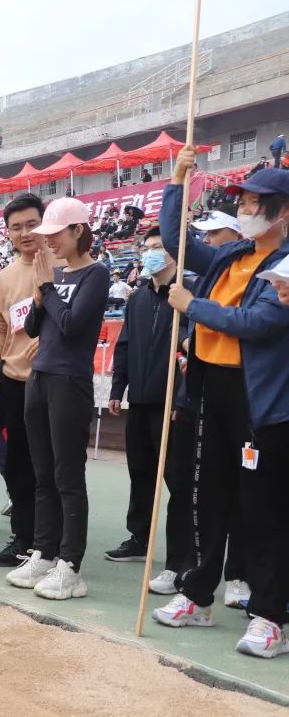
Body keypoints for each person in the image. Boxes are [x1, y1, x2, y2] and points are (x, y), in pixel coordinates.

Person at [153, 153, 289, 660]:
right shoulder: (232, 257)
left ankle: (269, 615)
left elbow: (257, 324)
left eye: (258, 202)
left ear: (284, 212)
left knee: (263, 508)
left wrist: (194, 306)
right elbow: (176, 242)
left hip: (259, 400)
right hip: (211, 391)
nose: (248, 209)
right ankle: (198, 593)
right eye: (246, 201)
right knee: (207, 497)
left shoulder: (285, 265)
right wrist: (176, 182)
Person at [5, 197, 109, 600]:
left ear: (77, 231)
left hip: (69, 381)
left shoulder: (95, 275)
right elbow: (33, 328)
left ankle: (71, 564)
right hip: (40, 378)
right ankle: (45, 552)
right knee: (42, 473)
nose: (48, 243)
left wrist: (48, 288)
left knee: (67, 474)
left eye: (54, 234)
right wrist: (39, 293)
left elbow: (70, 326)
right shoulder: (56, 275)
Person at [106, 231, 189, 564]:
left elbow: (193, 355)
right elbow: (124, 346)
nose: (150, 254)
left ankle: (180, 557)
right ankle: (138, 538)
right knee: (140, 472)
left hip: (171, 406)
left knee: (177, 479)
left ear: (174, 255)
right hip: (139, 400)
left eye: (158, 248)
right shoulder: (138, 298)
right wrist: (117, 389)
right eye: (148, 248)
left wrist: (182, 399)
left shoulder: (185, 296)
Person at [0, 194, 46, 567]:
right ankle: (23, 538)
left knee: (49, 466)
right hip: (13, 379)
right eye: (16, 227)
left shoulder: (63, 265)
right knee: (19, 464)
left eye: (32, 224)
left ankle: (53, 543)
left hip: (52, 382)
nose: (25, 233)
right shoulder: (4, 277)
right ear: (7, 233)